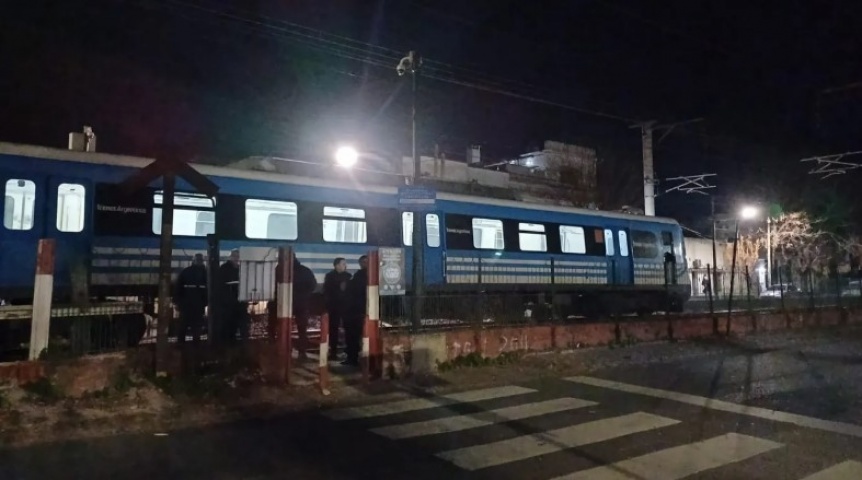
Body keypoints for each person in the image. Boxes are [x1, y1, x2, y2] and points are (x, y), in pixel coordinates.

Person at [174, 254, 208, 345]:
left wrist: (178, 302)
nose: (199, 261)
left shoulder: (186, 271)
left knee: (184, 326)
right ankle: (195, 347)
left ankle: (181, 345)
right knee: (195, 327)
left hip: (187, 304)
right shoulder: (205, 273)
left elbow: (178, 287)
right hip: (196, 305)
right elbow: (208, 290)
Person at [323, 257, 351, 360]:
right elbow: (327, 292)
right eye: (343, 264)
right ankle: (334, 351)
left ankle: (346, 350)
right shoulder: (331, 276)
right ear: (337, 265)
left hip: (344, 306)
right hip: (335, 306)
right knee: (334, 329)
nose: (345, 266)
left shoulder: (347, 276)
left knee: (346, 329)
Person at [343, 255, 369, 367]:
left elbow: (353, 290)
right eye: (362, 262)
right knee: (357, 336)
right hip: (360, 310)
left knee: (353, 335)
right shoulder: (366, 275)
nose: (363, 264)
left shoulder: (359, 276)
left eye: (365, 262)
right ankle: (355, 358)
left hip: (356, 310)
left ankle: (352, 358)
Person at [217, 249, 247, 345]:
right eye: (234, 256)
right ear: (230, 257)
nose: (236, 258)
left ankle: (232, 343)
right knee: (228, 324)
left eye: (237, 256)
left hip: (237, 301)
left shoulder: (240, 268)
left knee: (234, 324)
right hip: (228, 302)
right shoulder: (224, 268)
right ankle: (227, 343)